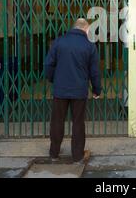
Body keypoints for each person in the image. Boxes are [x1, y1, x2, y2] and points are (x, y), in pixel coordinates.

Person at [44, 18, 102, 163]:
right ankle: (77, 155)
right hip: (79, 90)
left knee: (57, 121)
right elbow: (94, 72)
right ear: (85, 29)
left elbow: (48, 65)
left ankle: (54, 153)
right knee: (78, 122)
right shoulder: (89, 46)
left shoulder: (58, 42)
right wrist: (97, 90)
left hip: (60, 89)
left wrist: (53, 80)